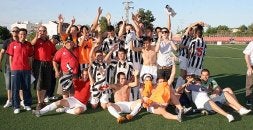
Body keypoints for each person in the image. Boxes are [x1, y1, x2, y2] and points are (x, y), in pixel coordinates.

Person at [6, 28, 33, 114]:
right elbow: (10, 58)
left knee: (26, 88)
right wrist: (12, 68)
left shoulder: (28, 44)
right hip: (15, 70)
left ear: (26, 35)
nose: (22, 36)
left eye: (24, 34)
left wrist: (30, 68)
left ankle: (27, 104)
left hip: (26, 70)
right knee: (15, 89)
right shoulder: (12, 44)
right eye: (21, 34)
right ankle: (16, 106)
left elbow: (30, 58)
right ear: (18, 35)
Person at [31, 26, 57, 110]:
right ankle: (39, 102)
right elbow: (31, 44)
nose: (42, 32)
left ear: (46, 32)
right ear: (38, 32)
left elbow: (55, 52)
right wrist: (36, 36)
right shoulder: (37, 40)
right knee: (39, 83)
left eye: (44, 31)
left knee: (46, 83)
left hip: (48, 64)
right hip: (38, 63)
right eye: (40, 31)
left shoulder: (49, 42)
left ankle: (42, 101)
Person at [0, 27, 25, 108]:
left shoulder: (22, 41)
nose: (15, 32)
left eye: (17, 31)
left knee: (21, 84)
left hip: (19, 67)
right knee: (9, 84)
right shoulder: (7, 41)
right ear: (11, 32)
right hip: (9, 66)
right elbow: (2, 52)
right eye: (13, 31)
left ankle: (22, 100)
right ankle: (9, 100)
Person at [89, 42, 118, 109]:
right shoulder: (94, 64)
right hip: (96, 86)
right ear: (95, 57)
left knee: (104, 107)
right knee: (94, 107)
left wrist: (112, 50)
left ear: (102, 56)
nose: (99, 57)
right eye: (98, 55)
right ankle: (94, 99)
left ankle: (102, 99)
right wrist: (93, 47)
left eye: (100, 55)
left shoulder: (105, 63)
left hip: (104, 86)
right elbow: (90, 57)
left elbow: (107, 58)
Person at [44, 35, 61, 103]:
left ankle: (50, 94)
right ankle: (46, 96)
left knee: (53, 81)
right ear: (53, 39)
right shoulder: (48, 44)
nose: (57, 42)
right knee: (48, 81)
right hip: (47, 65)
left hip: (53, 65)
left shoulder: (53, 46)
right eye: (57, 40)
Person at [243, 41, 253, 105]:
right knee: (250, 84)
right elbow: (246, 55)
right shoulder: (252, 43)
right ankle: (249, 99)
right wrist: (249, 68)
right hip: (252, 66)